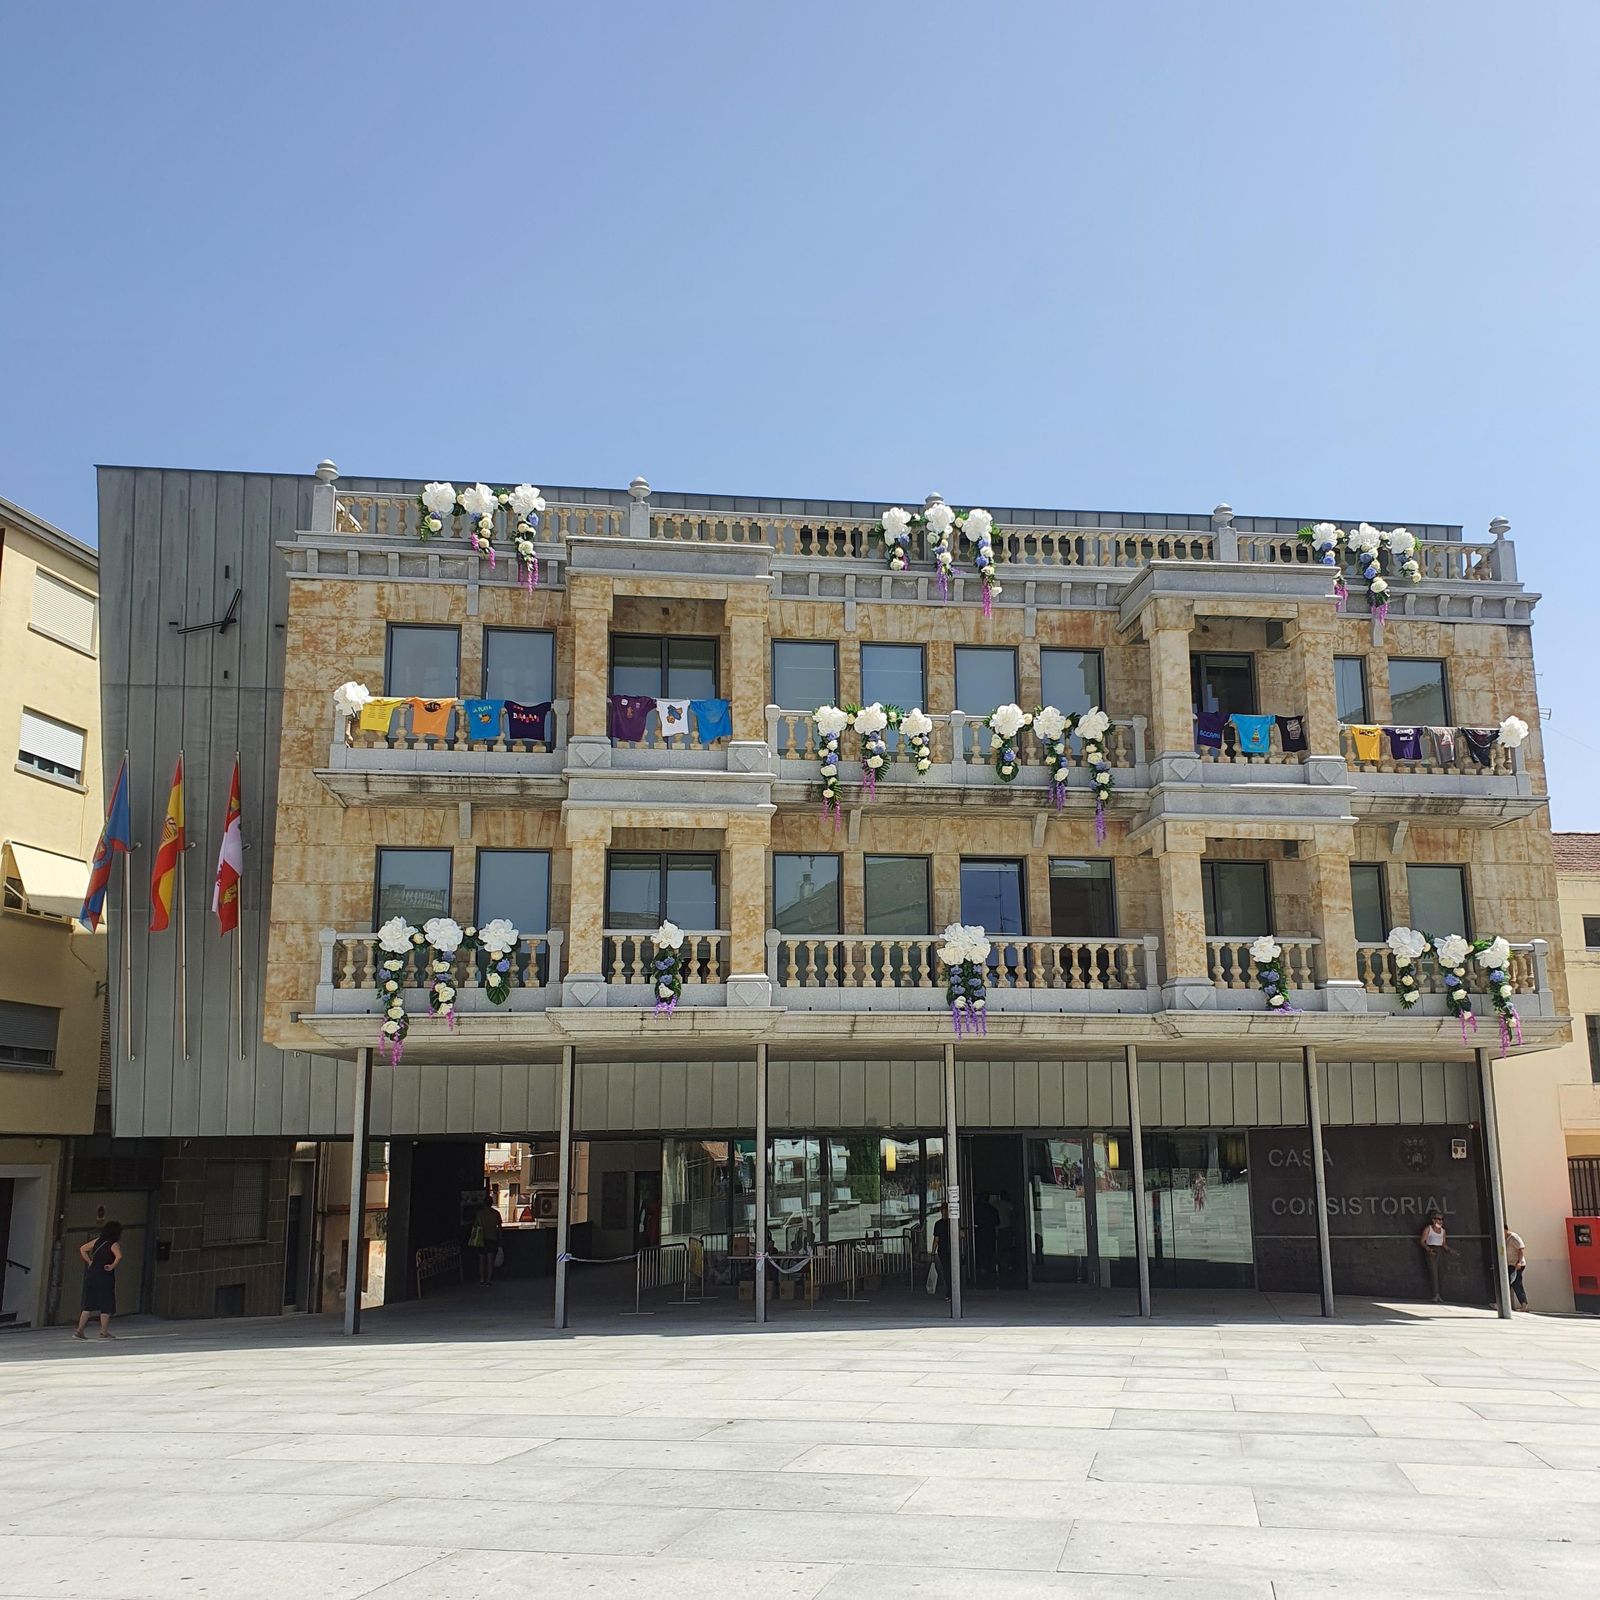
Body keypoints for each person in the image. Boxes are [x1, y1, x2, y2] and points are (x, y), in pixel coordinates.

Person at [74, 1221, 122, 1340]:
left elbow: (82, 1249)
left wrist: (90, 1261)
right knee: (105, 1303)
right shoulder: (113, 1244)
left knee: (88, 1304)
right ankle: (103, 1332)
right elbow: (119, 1256)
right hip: (105, 1275)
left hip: (92, 1274)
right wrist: (112, 1265)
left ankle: (80, 1330)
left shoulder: (97, 1241)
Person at [1419, 1210, 1455, 1303]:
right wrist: (1428, 1249)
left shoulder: (1443, 1231)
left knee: (1440, 1272)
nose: (1441, 1221)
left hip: (1440, 1251)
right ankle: (1435, 1294)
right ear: (1433, 1220)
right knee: (1433, 1272)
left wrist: (1450, 1250)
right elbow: (1422, 1241)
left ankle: (1439, 1294)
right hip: (1431, 1250)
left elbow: (1443, 1243)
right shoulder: (1428, 1229)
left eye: (1442, 1219)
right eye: (1439, 1219)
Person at [469, 1198, 503, 1285]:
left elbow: (475, 1225)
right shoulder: (496, 1213)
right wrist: (500, 1239)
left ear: (484, 1203)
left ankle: (481, 1279)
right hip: (492, 1238)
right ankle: (488, 1280)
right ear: (492, 1203)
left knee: (481, 1260)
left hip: (481, 1239)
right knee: (490, 1261)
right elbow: (499, 1228)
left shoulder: (480, 1214)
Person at [973, 1193, 1000, 1287]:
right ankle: (989, 1267)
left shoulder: (976, 1209)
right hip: (990, 1233)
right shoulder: (993, 1210)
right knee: (990, 1251)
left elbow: (974, 1220)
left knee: (980, 1251)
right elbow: (997, 1222)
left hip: (980, 1232)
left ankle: (982, 1267)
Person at [1504, 1225, 1529, 1311]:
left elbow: (1520, 1249)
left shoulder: (1514, 1237)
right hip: (1509, 1264)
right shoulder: (1504, 1239)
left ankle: (1524, 1304)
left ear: (1505, 1229)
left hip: (1516, 1265)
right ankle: (1504, 1303)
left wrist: (1519, 1262)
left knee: (1516, 1283)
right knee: (1507, 1283)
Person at [932, 1203, 953, 1300]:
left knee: (946, 1270)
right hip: (952, 1250)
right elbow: (962, 1235)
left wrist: (933, 1252)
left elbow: (936, 1240)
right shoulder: (953, 1222)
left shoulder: (938, 1224)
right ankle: (953, 1290)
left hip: (943, 1250)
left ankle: (950, 1291)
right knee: (952, 1270)